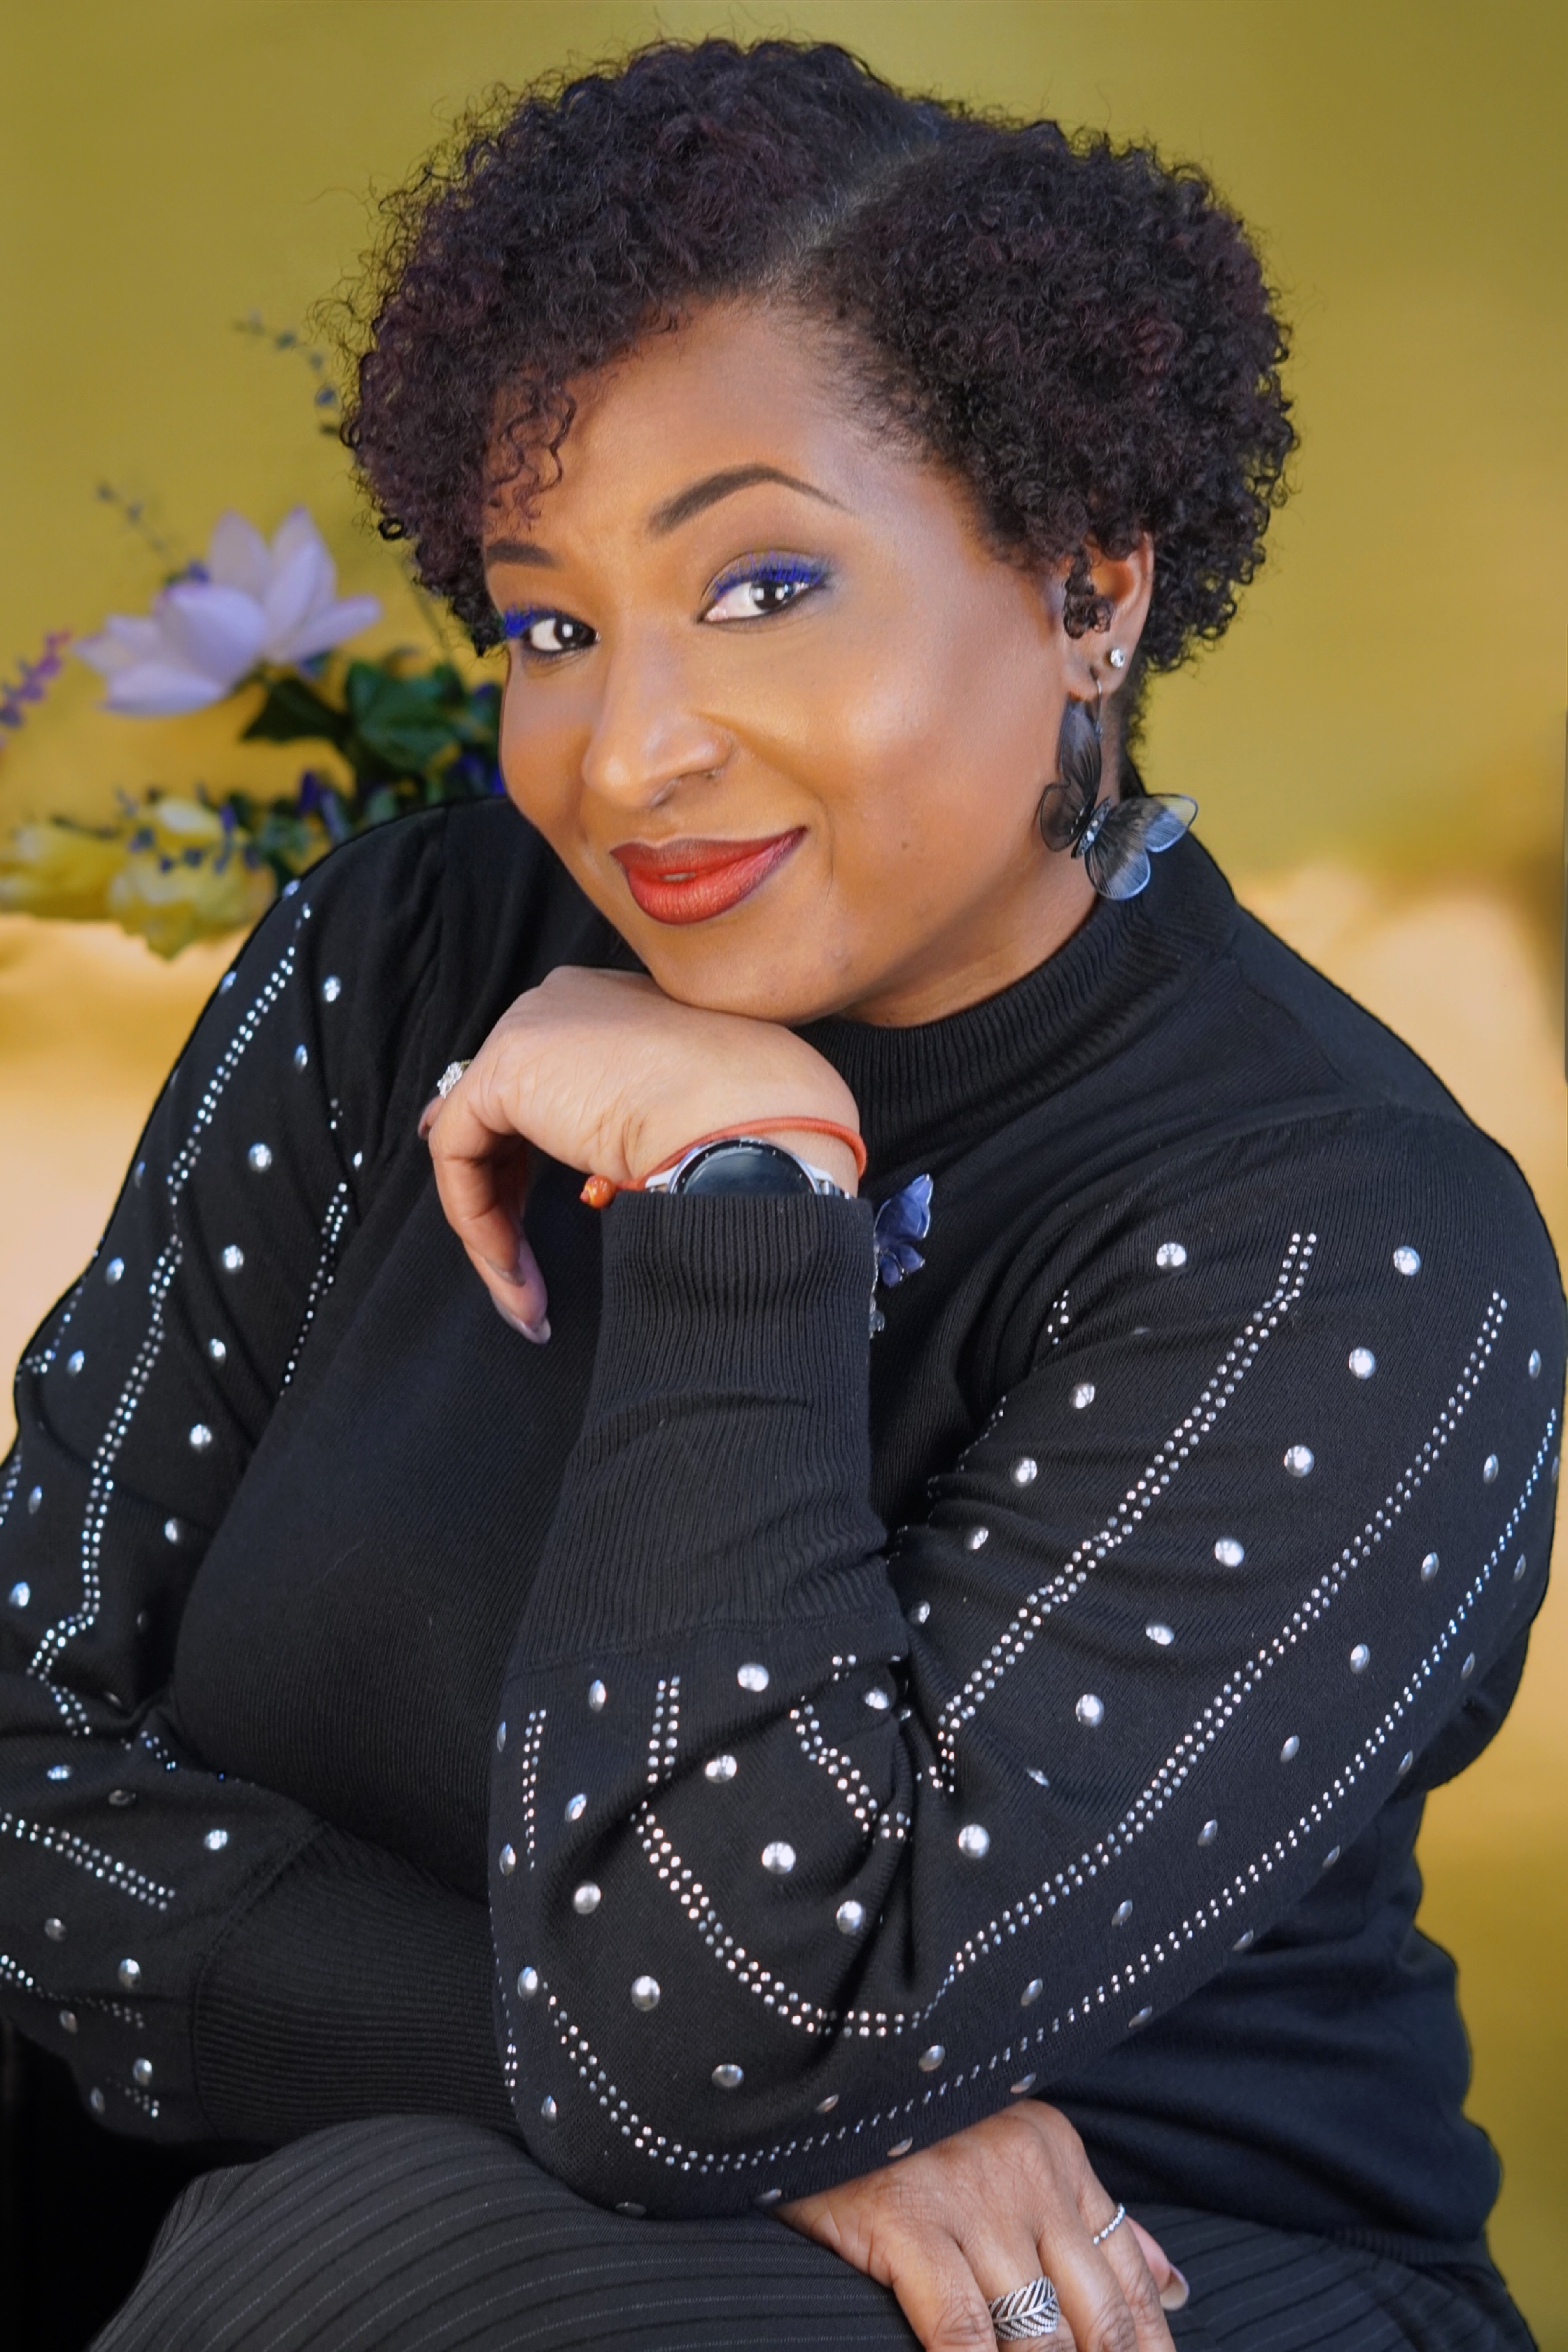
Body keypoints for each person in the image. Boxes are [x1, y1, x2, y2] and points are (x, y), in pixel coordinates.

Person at [1, 37, 1559, 2352]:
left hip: (1112, 2279)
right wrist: (643, 2098)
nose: (628, 753)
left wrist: (741, 1198)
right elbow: (22, 1777)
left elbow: (722, 2040)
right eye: (550, 626)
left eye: (760, 588)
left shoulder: (1349, 1239)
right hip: (394, 2193)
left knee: (417, 2282)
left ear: (1088, 585)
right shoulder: (396, 961)